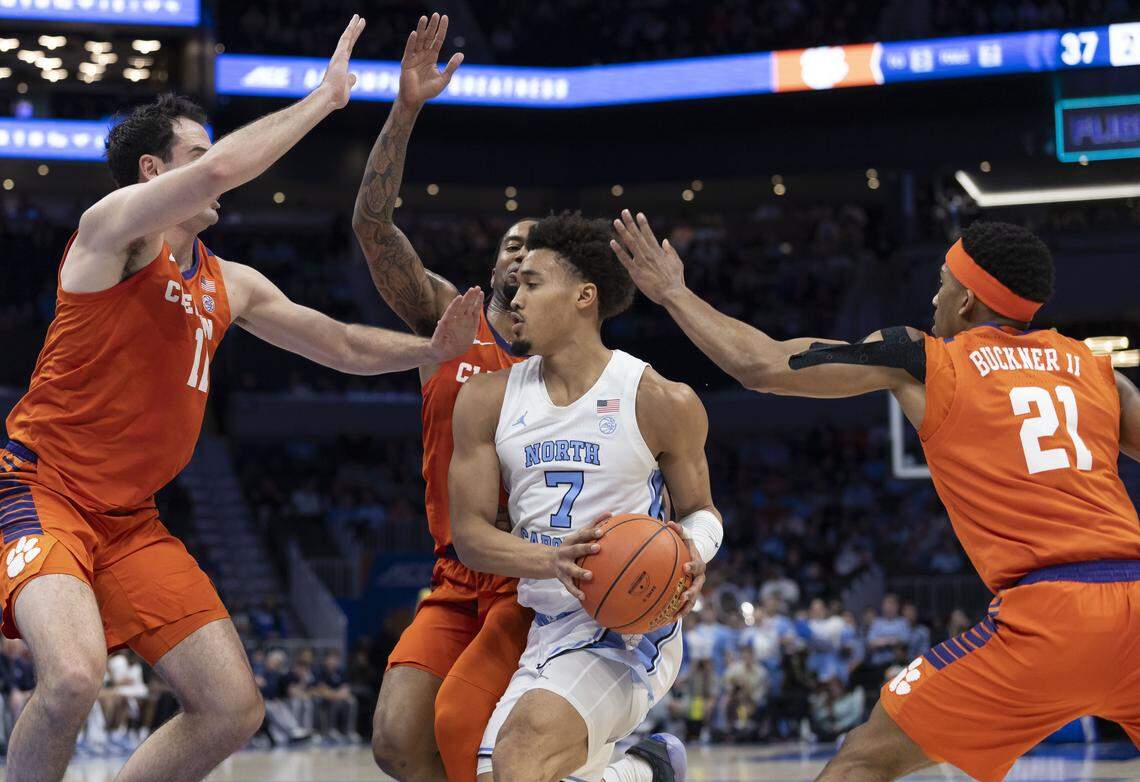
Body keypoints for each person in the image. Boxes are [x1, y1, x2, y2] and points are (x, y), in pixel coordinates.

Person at [0, 17, 485, 782]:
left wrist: (428, 352)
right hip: (43, 488)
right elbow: (223, 169)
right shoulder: (113, 231)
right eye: (196, 154)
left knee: (232, 707)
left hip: (129, 520)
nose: (214, 169)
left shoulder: (231, 282)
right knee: (72, 677)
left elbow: (339, 342)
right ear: (154, 171)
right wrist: (325, 99)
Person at [612, 212, 1140, 782]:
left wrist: (673, 292)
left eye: (942, 282)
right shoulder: (1099, 371)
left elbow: (762, 365)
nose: (934, 297)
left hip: (1049, 615)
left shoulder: (924, 359)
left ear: (966, 300)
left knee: (860, 762)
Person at [450, 212, 724, 782]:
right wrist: (552, 559)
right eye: (515, 284)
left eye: (532, 283)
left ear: (584, 296)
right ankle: (645, 772)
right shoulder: (485, 399)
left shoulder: (659, 399)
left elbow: (702, 512)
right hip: (548, 622)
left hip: (630, 623)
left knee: (520, 757)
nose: (514, 297)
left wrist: (692, 553)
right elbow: (470, 536)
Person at [351, 13, 536, 782]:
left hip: (535, 576)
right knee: (398, 742)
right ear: (495, 265)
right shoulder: (448, 320)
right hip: (457, 575)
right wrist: (405, 109)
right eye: (512, 243)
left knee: (480, 742)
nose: (522, 254)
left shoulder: (579, 362)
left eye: (539, 249)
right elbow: (372, 224)